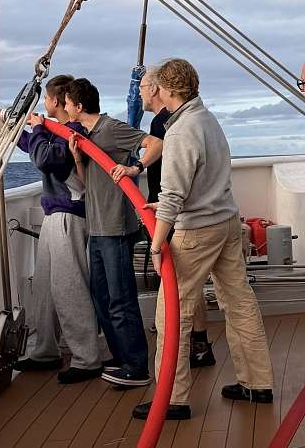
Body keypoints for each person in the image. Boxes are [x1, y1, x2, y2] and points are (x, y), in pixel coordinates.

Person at [133, 59, 274, 422]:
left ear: (165, 90)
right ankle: (257, 383)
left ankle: (173, 399)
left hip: (196, 232)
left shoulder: (180, 131)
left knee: (171, 317)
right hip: (226, 222)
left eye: (153, 88)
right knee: (239, 302)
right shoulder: (207, 119)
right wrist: (166, 206)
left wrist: (155, 247)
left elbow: (174, 196)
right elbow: (196, 183)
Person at [0, 75, 102, 384]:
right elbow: (33, 144)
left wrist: (40, 126)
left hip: (69, 216)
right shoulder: (56, 133)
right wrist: (6, 123)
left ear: (55, 102)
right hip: (54, 215)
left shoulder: (73, 132)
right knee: (44, 286)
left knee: (69, 288)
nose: (44, 104)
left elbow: (45, 159)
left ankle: (87, 357)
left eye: (46, 99)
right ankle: (46, 351)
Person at [65, 78, 163, 387]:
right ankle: (122, 356)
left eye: (67, 103)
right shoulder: (89, 136)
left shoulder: (110, 129)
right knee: (102, 297)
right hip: (97, 228)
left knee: (121, 299)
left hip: (115, 228)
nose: (65, 107)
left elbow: (155, 144)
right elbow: (87, 181)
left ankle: (137, 366)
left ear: (79, 107)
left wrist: (136, 168)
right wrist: (79, 158)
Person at [139, 69, 215, 369]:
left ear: (158, 89)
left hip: (176, 217)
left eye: (143, 86)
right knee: (198, 290)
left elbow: (173, 188)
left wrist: (157, 242)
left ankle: (175, 389)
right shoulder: (202, 118)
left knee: (175, 299)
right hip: (195, 215)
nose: (140, 93)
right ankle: (200, 344)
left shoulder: (169, 126)